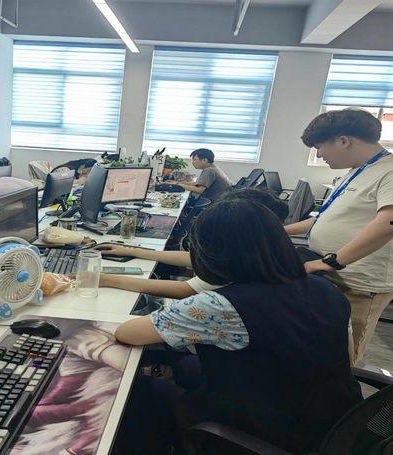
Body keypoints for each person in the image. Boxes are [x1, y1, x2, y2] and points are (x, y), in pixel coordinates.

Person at [113, 198, 362, 455]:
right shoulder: (327, 289)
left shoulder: (222, 304)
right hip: (333, 422)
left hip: (265, 428)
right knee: (187, 366)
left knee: (138, 390)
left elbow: (128, 333)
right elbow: (347, 357)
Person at [285, 108, 393, 363]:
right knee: (322, 348)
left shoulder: (389, 171)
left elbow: (388, 222)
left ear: (343, 141)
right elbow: (325, 218)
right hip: (332, 274)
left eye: (319, 147)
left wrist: (331, 261)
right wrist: (277, 230)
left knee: (343, 356)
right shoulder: (359, 170)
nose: (319, 155)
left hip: (358, 283)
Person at [96, 188, 289, 299]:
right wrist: (132, 251)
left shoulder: (234, 269)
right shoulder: (268, 255)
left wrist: (105, 279)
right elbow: (191, 258)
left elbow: (184, 289)